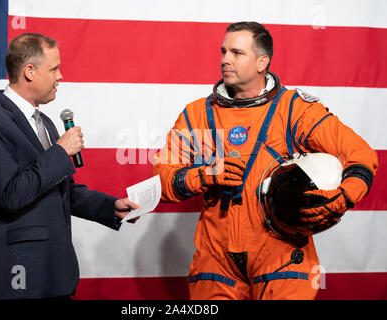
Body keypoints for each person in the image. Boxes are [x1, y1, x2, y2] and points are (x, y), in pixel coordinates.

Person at [152, 22, 378, 300]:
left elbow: (360, 153)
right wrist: (204, 176)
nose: (225, 59)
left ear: (262, 62)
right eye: (223, 51)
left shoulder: (295, 109)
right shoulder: (197, 115)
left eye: (237, 53)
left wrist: (345, 195)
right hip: (215, 259)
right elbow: (161, 181)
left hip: (280, 254)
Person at [0, 33, 139, 300]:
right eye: (55, 68)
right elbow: (11, 193)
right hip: (17, 278)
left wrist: (110, 207)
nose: (61, 76)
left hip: (54, 275)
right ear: (30, 72)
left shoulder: (44, 122)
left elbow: (62, 191)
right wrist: (60, 151)